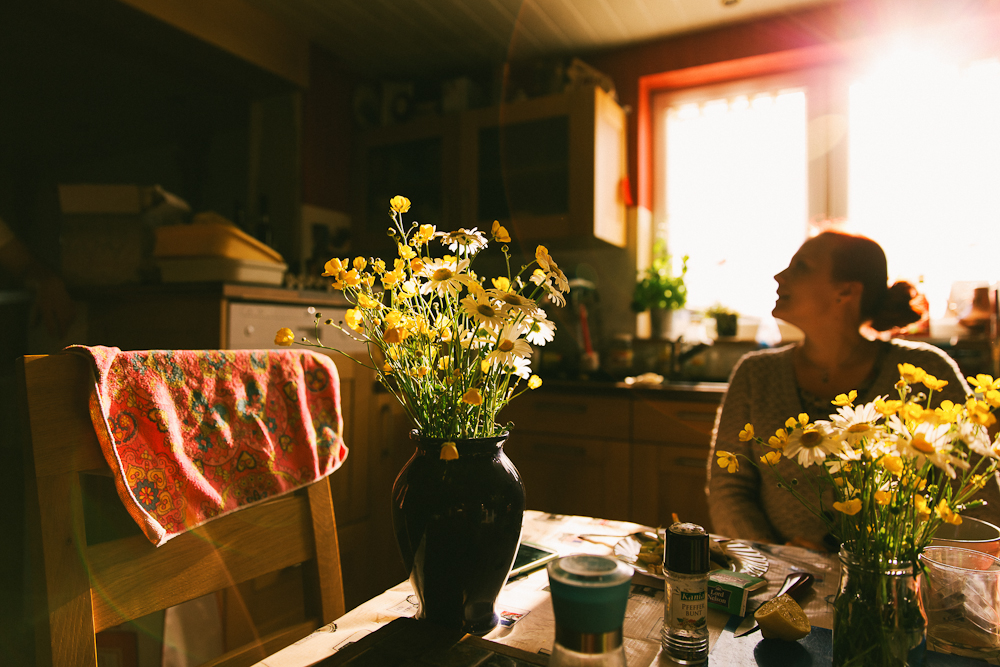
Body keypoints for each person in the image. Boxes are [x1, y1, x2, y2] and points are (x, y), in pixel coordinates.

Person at [707, 230, 1000, 550]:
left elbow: (979, 501)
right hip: (780, 582)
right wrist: (772, 554)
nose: (780, 276)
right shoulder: (756, 374)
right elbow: (729, 488)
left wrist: (896, 562)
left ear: (846, 291)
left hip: (895, 585)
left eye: (801, 266)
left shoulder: (926, 372)